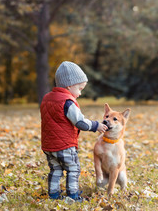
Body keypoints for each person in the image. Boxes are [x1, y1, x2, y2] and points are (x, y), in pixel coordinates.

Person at [40, 61, 108, 202]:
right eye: (80, 88)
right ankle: (73, 195)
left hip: (48, 145)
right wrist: (96, 125)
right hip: (64, 145)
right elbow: (80, 122)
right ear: (70, 85)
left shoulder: (46, 98)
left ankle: (53, 195)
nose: (80, 93)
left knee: (55, 170)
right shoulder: (67, 102)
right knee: (73, 169)